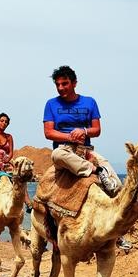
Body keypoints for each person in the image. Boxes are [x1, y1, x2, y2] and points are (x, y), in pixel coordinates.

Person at [42, 65, 121, 195]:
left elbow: (96, 130)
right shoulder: (51, 104)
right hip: (64, 150)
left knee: (117, 186)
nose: (60, 88)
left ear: (74, 83)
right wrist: (70, 137)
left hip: (86, 150)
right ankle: (96, 170)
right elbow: (48, 132)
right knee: (56, 155)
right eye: (58, 85)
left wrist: (84, 131)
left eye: (65, 83)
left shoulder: (90, 102)